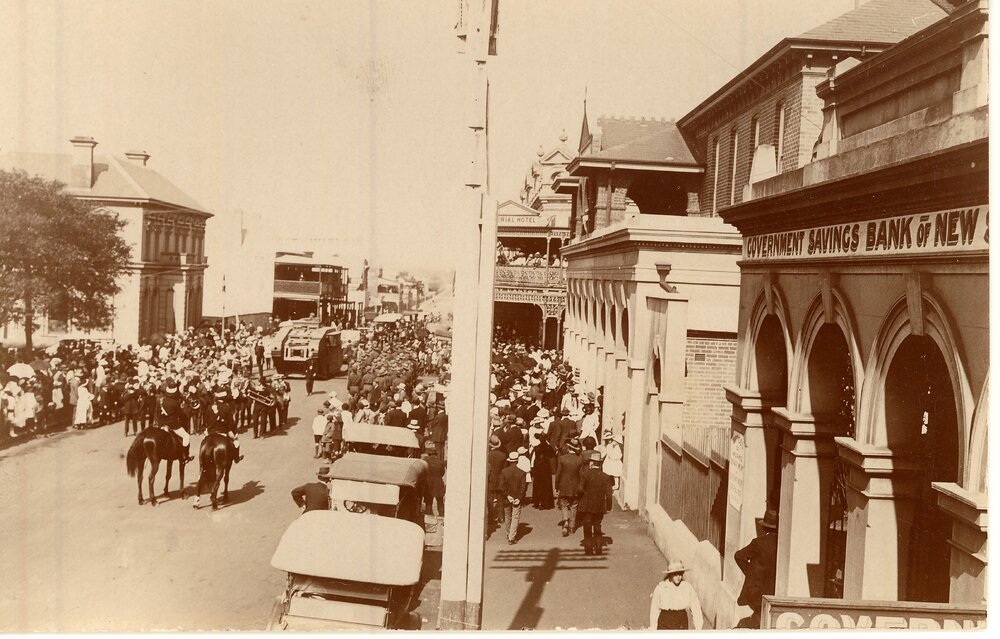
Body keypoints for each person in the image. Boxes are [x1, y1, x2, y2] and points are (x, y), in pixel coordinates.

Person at [734, 509, 779, 629]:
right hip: (774, 590)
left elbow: (739, 556)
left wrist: (750, 573)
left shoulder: (758, 543)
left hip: (757, 590)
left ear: (765, 527)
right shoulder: (781, 544)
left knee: (758, 620)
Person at [577, 449, 613, 555]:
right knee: (597, 526)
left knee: (587, 526)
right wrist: (609, 507)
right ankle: (598, 549)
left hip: (586, 505)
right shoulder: (605, 477)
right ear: (600, 463)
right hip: (599, 505)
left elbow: (579, 489)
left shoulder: (585, 474)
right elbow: (609, 494)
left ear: (591, 463)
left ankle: (588, 550)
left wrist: (581, 496)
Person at [649, 560, 704, 630]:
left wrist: (698, 627)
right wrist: (653, 628)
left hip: (681, 622)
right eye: (675, 574)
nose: (678, 576)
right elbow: (654, 609)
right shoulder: (661, 588)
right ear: (670, 574)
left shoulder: (687, 587)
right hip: (665, 622)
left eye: (680, 573)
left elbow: (695, 606)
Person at [205, 387, 244, 463]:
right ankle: (236, 458)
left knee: (204, 441)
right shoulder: (226, 408)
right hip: (223, 430)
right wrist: (234, 432)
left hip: (210, 430)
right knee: (236, 441)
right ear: (223, 397)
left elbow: (206, 420)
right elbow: (231, 423)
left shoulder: (209, 407)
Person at [159, 380, 194, 462]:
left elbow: (157, 414)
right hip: (173, 425)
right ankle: (185, 456)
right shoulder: (175, 403)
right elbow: (179, 415)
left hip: (161, 424)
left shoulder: (161, 401)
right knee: (186, 436)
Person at [554, 439, 583, 536]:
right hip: (575, 486)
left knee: (564, 504)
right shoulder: (579, 459)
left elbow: (558, 474)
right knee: (574, 505)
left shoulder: (562, 458)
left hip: (564, 485)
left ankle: (565, 521)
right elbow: (581, 474)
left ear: (569, 447)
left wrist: (556, 486)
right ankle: (572, 525)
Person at [499, 450, 527, 545]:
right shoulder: (522, 473)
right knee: (515, 517)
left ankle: (508, 533)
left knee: (507, 516)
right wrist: (519, 497)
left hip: (507, 498)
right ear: (517, 460)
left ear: (509, 461)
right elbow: (523, 487)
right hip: (517, 498)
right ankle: (512, 537)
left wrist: (507, 495)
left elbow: (502, 486)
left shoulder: (504, 472)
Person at [530, 433, 556, 510]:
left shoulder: (537, 447)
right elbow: (552, 455)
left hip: (538, 466)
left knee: (538, 484)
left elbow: (534, 457)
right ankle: (546, 503)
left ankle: (538, 502)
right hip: (546, 466)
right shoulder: (548, 447)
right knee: (546, 484)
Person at [422, 445, 446, 517]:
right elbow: (442, 473)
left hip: (428, 484)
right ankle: (442, 517)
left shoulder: (425, 462)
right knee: (440, 503)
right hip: (438, 484)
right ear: (436, 454)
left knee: (429, 503)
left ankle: (429, 518)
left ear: (429, 454)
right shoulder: (441, 462)